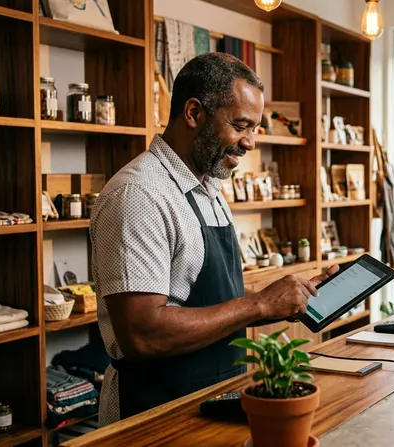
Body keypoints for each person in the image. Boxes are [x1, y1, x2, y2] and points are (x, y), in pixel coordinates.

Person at [89, 53, 340, 425]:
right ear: (194, 113)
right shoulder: (139, 195)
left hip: (216, 402)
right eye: (241, 126)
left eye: (255, 128)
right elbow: (142, 335)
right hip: (156, 414)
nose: (250, 143)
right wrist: (259, 305)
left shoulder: (208, 188)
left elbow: (211, 298)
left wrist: (282, 301)